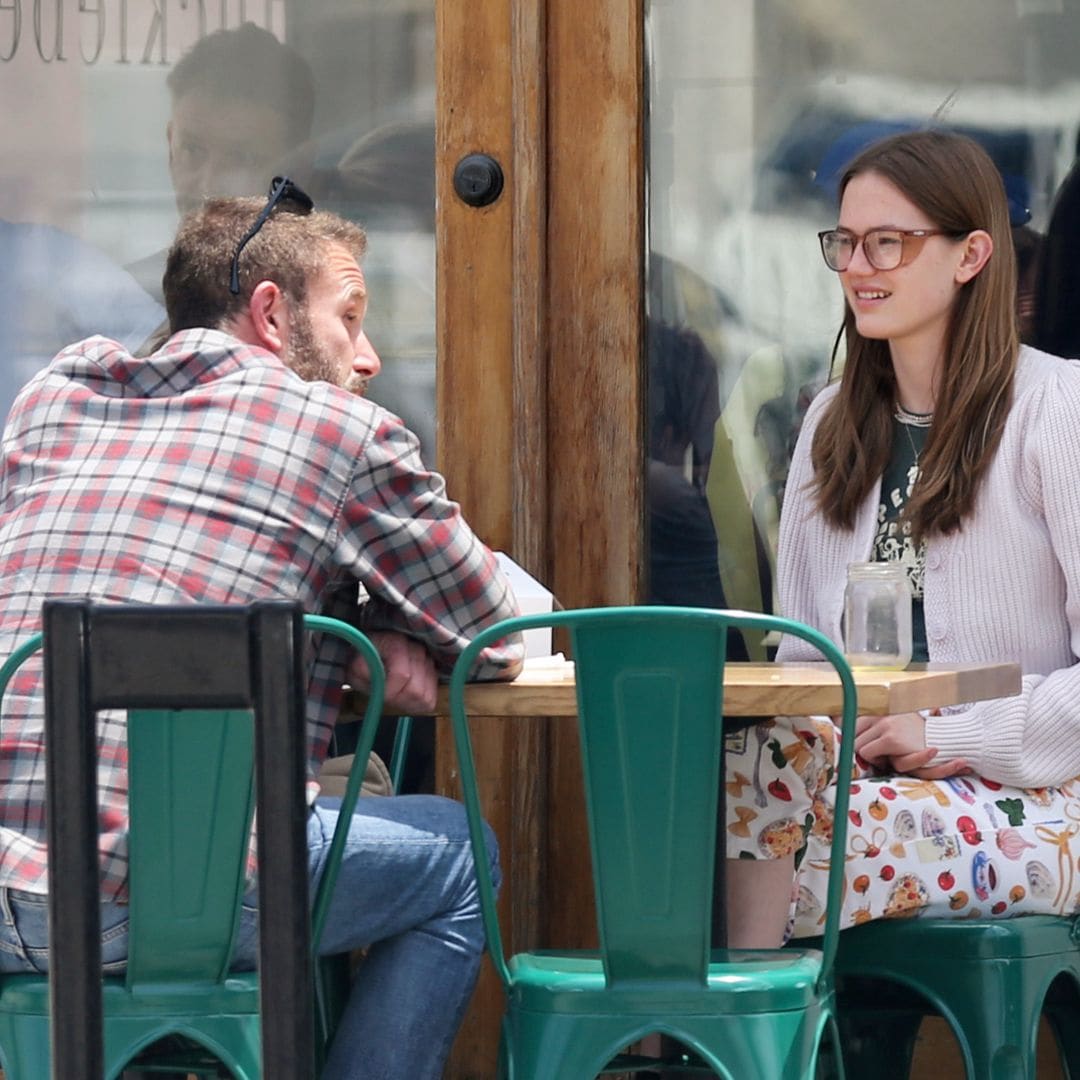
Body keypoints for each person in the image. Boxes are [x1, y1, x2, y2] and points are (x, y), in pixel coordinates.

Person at [0, 181, 524, 1080]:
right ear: (272, 314)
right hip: (156, 900)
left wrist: (349, 615)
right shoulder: (337, 431)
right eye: (350, 318)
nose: (368, 358)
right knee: (460, 857)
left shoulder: (53, 400)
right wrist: (385, 621)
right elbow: (490, 630)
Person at [723, 129, 1080, 947]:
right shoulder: (832, 420)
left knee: (769, 854)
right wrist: (834, 735)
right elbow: (805, 664)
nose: (858, 266)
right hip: (866, 789)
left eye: (889, 242)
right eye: (845, 243)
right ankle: (752, 1034)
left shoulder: (1056, 410)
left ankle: (740, 1047)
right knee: (718, 795)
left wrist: (945, 735)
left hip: (1048, 802)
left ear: (970, 255)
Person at [127, 22, 316, 303]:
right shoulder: (123, 301)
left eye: (242, 158)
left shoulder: (333, 303)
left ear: (298, 170)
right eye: (192, 150)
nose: (208, 184)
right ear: (171, 148)